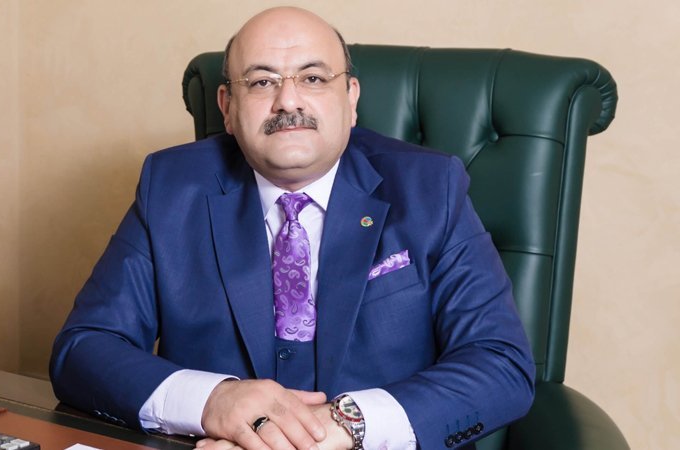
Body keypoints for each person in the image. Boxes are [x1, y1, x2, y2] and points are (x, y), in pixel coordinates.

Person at [50, 7, 535, 450]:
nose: (287, 101)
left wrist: (341, 426)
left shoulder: (432, 187)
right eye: (262, 82)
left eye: (313, 78)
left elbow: (501, 364)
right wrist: (214, 401)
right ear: (227, 106)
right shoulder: (171, 187)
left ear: (351, 97)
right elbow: (83, 350)